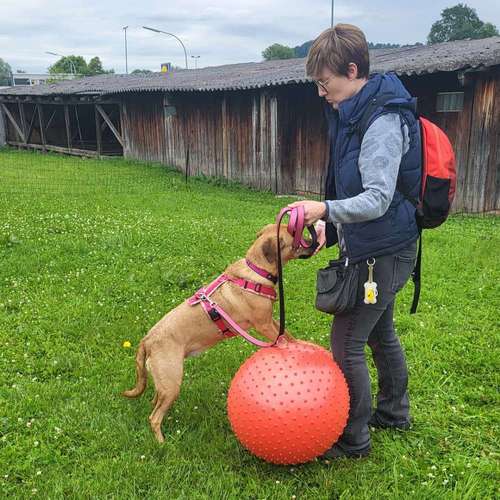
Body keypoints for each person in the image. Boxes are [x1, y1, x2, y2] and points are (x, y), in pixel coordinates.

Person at [286, 24, 421, 459]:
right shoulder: (355, 111)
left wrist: (323, 209)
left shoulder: (381, 119)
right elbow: (353, 189)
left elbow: (378, 198)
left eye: (325, 83)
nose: (321, 93)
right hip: (378, 243)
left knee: (346, 343)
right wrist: (335, 227)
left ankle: (352, 438)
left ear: (351, 69)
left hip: (386, 250)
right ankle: (395, 414)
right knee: (380, 332)